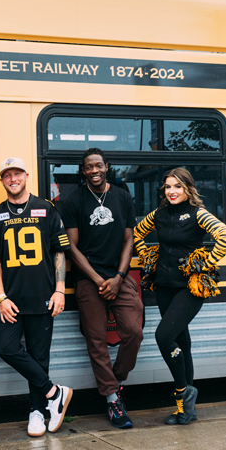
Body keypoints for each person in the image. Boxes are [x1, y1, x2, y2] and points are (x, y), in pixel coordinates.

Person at [134, 168, 226, 425]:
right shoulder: (158, 214)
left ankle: (183, 391)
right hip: (164, 286)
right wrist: (147, 257)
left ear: (188, 188)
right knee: (182, 342)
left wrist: (206, 263)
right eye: (168, 187)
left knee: (163, 336)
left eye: (177, 186)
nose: (171, 191)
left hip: (190, 288)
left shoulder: (198, 214)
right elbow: (137, 234)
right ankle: (185, 411)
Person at [0, 157, 73, 436]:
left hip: (43, 297)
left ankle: (37, 411)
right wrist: (0, 297)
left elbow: (59, 252)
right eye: (7, 175)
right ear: (2, 180)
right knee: (8, 349)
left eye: (17, 173)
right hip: (10, 299)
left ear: (26, 175)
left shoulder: (46, 209)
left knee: (39, 356)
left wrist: (60, 290)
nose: (13, 179)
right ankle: (54, 393)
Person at [61, 148, 143, 429]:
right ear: (83, 171)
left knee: (134, 331)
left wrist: (119, 277)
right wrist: (98, 280)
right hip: (88, 281)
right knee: (96, 341)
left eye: (98, 166)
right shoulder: (72, 201)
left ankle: (116, 380)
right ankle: (112, 400)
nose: (94, 171)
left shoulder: (122, 196)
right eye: (88, 167)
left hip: (119, 278)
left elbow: (129, 239)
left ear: (106, 167)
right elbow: (72, 247)